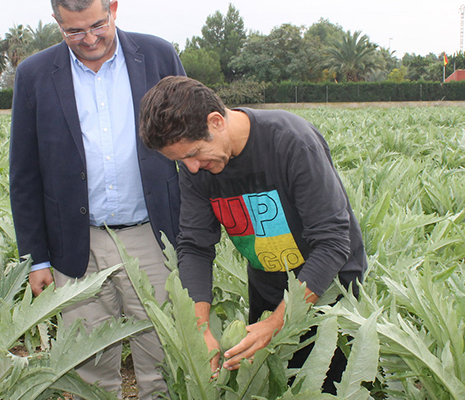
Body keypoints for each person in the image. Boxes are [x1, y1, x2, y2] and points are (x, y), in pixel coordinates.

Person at [139, 76, 367, 394]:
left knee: (327, 388)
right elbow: (194, 246)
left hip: (329, 293)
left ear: (216, 121)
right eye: (180, 161)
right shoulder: (197, 169)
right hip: (268, 289)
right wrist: (199, 329)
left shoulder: (290, 141)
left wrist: (277, 324)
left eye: (194, 153)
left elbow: (332, 241)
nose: (191, 168)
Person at [8, 0, 184, 398]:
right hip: (76, 244)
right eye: (73, 31)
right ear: (56, 22)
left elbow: (191, 151)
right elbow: (24, 172)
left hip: (152, 238)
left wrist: (193, 236)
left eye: (97, 25)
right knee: (89, 366)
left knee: (164, 355)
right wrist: (36, 258)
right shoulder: (34, 75)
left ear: (114, 8)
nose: (89, 39)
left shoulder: (158, 55)